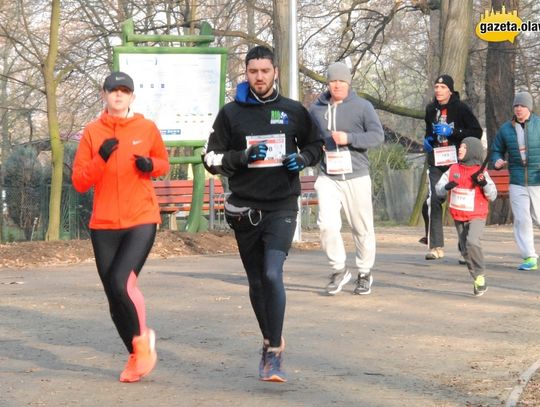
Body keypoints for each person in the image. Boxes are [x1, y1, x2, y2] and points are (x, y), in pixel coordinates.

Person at [202, 45, 323, 383]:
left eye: (264, 71)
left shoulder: (293, 111)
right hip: (245, 208)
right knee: (256, 282)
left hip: (282, 204)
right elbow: (210, 158)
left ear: (275, 73)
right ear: (246, 73)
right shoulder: (231, 114)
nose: (259, 77)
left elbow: (316, 145)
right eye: (253, 71)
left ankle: (274, 352)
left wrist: (304, 159)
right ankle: (269, 341)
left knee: (272, 273)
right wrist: (241, 157)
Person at [72, 72, 170, 382]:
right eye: (113, 90)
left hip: (141, 218)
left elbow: (163, 163)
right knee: (114, 294)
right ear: (104, 94)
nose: (118, 95)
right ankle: (136, 352)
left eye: (124, 91)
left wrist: (150, 166)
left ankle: (142, 341)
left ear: (132, 97)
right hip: (103, 224)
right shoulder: (91, 132)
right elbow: (79, 181)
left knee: (120, 282)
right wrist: (101, 157)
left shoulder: (146, 128)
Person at [309, 62, 384, 296]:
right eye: (332, 81)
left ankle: (364, 272)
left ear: (348, 83)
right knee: (326, 225)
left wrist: (349, 138)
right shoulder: (316, 109)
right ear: (328, 83)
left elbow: (377, 136)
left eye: (341, 81)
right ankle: (339, 269)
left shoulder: (362, 106)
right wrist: (316, 146)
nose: (337, 85)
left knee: (361, 227)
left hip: (356, 175)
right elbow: (308, 137)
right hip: (328, 175)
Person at [422, 74, 482, 260]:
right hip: (437, 161)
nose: (438, 90)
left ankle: (465, 251)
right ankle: (435, 246)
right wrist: (428, 140)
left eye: (442, 87)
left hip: (457, 162)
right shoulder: (431, 109)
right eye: (436, 87)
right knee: (433, 200)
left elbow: (476, 132)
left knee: (460, 204)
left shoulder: (461, 108)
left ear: (450, 90)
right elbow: (428, 131)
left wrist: (454, 132)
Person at [435, 137, 497, 296]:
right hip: (459, 214)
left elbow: (493, 195)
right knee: (464, 249)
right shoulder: (453, 169)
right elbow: (439, 188)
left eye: (464, 147)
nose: (460, 149)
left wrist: (483, 183)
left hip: (477, 214)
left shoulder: (481, 171)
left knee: (472, 241)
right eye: (460, 147)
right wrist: (445, 187)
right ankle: (477, 278)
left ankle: (481, 273)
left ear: (473, 151)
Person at [491, 91, 540, 271]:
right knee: (522, 219)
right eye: (516, 106)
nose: (519, 109)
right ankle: (529, 257)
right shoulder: (505, 129)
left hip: (537, 180)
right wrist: (496, 161)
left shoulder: (539, 125)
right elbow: (496, 150)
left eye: (523, 106)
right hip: (517, 180)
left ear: (530, 108)